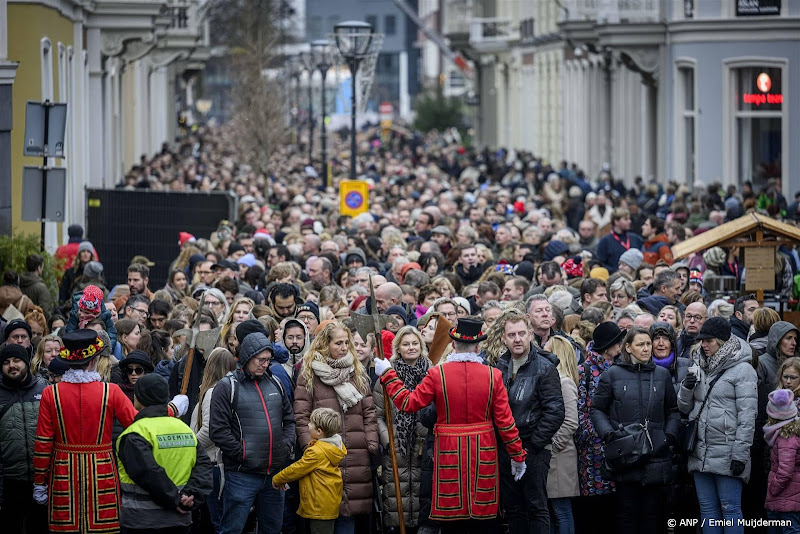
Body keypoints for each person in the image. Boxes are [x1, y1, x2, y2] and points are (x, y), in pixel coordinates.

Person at [376, 318, 527, 534]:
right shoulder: (494, 376)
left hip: (448, 451)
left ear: (454, 344)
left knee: (452, 517)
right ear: (477, 347)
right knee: (482, 518)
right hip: (482, 451)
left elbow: (408, 403)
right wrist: (518, 456)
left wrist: (388, 375)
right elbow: (505, 422)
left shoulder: (438, 374)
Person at [32, 329, 189, 533]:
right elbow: (139, 422)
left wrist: (39, 482)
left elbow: (43, 444)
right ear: (94, 360)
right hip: (102, 471)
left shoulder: (50, 394)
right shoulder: (110, 391)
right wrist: (172, 408)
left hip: (64, 473)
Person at [591, 327, 680, 533]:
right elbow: (597, 409)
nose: (647, 348)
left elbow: (673, 411)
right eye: (641, 344)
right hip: (625, 456)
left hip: (656, 455)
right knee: (626, 515)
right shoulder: (612, 374)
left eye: (648, 343)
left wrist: (667, 437)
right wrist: (609, 435)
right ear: (628, 347)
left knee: (652, 516)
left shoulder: (662, 375)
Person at [294, 322, 379, 534]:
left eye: (346, 343)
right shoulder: (309, 374)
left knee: (348, 515)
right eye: (338, 343)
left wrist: (370, 442)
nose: (344, 347)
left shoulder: (356, 372)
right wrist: (309, 446)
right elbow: (302, 415)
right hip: (323, 454)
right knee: (324, 516)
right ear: (325, 344)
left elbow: (369, 412)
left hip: (356, 454)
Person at [209, 332, 296, 534]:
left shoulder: (276, 383)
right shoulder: (227, 387)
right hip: (242, 475)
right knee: (232, 529)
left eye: (268, 360)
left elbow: (289, 420)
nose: (265, 364)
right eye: (261, 360)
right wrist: (243, 454)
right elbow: (218, 431)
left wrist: (285, 446)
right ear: (248, 357)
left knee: (272, 529)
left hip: (274, 475)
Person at [678, 317, 757, 534]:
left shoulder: (742, 370)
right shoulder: (698, 365)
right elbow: (684, 408)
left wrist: (740, 455)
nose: (703, 345)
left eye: (709, 341)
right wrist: (686, 387)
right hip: (700, 450)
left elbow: (747, 417)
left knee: (730, 509)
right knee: (707, 509)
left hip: (728, 451)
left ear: (722, 341)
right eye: (702, 340)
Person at [494, 309, 565, 534]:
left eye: (521, 334)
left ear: (530, 335)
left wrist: (531, 446)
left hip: (534, 448)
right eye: (512, 335)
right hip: (505, 447)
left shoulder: (545, 368)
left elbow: (555, 412)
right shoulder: (498, 367)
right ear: (504, 338)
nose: (517, 339)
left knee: (536, 506)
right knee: (514, 509)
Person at [116, 373, 213, 534]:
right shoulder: (185, 429)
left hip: (141, 522)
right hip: (180, 520)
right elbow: (203, 467)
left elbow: (148, 472)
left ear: (139, 398)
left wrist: (175, 499)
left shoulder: (135, 433)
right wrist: (190, 496)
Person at [373, 325, 431, 530]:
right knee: (396, 494)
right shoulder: (385, 377)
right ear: (398, 348)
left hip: (423, 446)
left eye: (415, 343)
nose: (411, 347)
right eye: (406, 344)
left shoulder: (431, 373)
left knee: (422, 491)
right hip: (396, 446)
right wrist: (389, 440)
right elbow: (378, 413)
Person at [574, 322, 625, 529]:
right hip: (593, 450)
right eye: (617, 342)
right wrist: (592, 436)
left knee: (614, 505)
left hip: (616, 446)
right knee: (594, 507)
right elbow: (579, 409)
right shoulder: (584, 370)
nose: (621, 345)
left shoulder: (618, 368)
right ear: (608, 346)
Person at [272, 407, 347, 534]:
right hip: (328, 504)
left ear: (319, 431)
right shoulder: (333, 447)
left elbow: (296, 469)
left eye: (311, 423)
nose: (308, 424)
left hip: (318, 507)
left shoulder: (316, 452)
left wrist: (277, 479)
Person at [0, 343, 49, 534]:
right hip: (10, 482)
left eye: (16, 360)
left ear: (26, 363)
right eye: (6, 362)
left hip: (41, 480)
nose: (12, 365)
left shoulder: (44, 389)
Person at [191, 347, 237, 532]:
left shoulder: (213, 392)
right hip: (214, 465)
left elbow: (210, 430)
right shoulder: (223, 390)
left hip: (212, 465)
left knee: (217, 522)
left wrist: (190, 446)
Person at [542, 335, 580, 534]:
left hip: (559, 457)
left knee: (561, 511)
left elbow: (571, 421)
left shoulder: (564, 382)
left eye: (547, 349)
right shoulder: (553, 379)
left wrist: (551, 447)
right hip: (554, 456)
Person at [763, 389, 800, 532]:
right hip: (787, 498)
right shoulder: (789, 433)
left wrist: (772, 489)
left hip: (785, 499)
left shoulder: (786, 437)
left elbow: (785, 471)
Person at [20, 253, 54, 318]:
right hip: (36, 323)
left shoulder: (19, 282)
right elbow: (45, 311)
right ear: (39, 268)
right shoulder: (41, 287)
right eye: (42, 267)